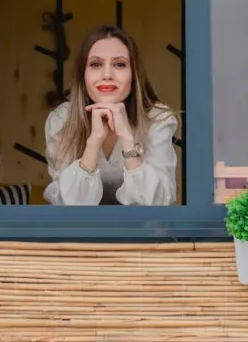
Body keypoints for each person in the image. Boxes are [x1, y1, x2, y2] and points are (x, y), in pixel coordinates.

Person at [43, 25, 179, 206]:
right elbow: (69, 206)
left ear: (134, 74)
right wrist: (94, 141)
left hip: (143, 232)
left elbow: (158, 203)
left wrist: (128, 139)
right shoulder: (62, 120)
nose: (107, 74)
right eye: (96, 64)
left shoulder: (158, 119)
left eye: (120, 64)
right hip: (78, 234)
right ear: (83, 74)